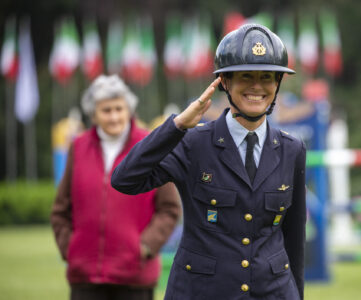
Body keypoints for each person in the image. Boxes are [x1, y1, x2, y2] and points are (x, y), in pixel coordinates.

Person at [112, 24, 306, 300]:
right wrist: (177, 125)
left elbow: (293, 238)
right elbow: (124, 179)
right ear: (224, 82)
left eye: (267, 77)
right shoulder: (193, 143)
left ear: (278, 84)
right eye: (245, 76)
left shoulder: (292, 148)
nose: (257, 86)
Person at [50, 74, 181, 300]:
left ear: (129, 110)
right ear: (93, 114)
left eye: (119, 109)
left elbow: (169, 209)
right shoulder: (78, 148)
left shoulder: (149, 145)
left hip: (135, 278)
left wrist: (145, 247)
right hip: (85, 278)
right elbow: (61, 208)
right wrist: (71, 248)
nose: (114, 117)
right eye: (106, 110)